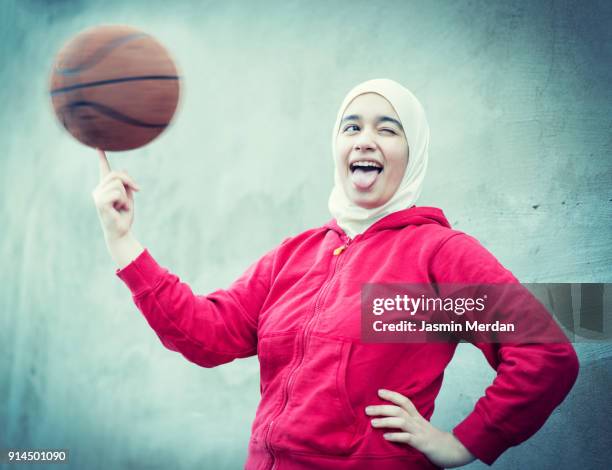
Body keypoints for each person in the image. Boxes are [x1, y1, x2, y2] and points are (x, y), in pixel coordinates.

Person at [92, 79, 579, 469]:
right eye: (351, 127)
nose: (365, 139)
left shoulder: (438, 254)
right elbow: (207, 335)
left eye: (388, 129)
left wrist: (463, 443)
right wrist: (123, 242)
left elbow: (546, 355)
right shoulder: (295, 254)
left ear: (414, 155)